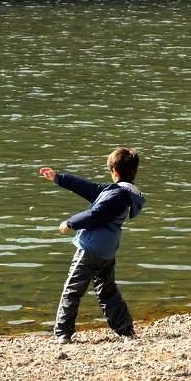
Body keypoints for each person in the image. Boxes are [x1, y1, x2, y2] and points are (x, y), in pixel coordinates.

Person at [38, 147, 145, 344]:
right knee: (107, 290)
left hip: (90, 249)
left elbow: (96, 215)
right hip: (107, 250)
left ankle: (62, 333)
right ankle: (125, 329)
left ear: (114, 171)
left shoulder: (116, 196)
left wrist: (70, 223)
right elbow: (89, 188)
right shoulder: (122, 192)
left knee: (72, 289)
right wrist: (58, 178)